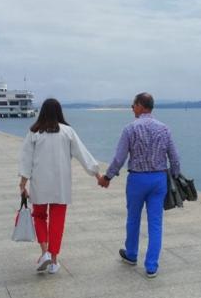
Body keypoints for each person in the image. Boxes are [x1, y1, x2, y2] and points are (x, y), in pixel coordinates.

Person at [97, 92, 181, 278]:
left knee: (133, 218)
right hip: (159, 180)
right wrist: (174, 176)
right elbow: (174, 157)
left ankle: (132, 254)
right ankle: (151, 265)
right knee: (156, 223)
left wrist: (107, 177)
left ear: (141, 106)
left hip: (137, 180)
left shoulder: (130, 129)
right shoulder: (164, 129)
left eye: (133, 105)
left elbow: (119, 158)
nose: (132, 108)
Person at [19, 98, 102, 274]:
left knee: (39, 216)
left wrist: (22, 184)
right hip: (61, 184)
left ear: (42, 112)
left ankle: (44, 253)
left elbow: (26, 160)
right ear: (59, 112)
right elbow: (83, 154)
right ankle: (54, 260)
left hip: (39, 183)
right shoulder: (67, 131)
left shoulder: (34, 132)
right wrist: (97, 173)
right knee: (57, 221)